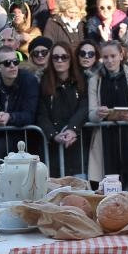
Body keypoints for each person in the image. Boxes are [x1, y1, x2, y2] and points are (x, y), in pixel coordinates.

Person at [87, 40, 128, 190]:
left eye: (113, 56)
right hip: (104, 142)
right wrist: (98, 113)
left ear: (121, 55)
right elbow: (91, 114)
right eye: (105, 57)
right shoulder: (95, 81)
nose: (109, 61)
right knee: (107, 188)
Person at [38, 42, 88, 179]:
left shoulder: (81, 80)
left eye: (64, 57)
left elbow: (85, 107)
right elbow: (41, 114)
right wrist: (53, 135)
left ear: (70, 59)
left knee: (79, 192)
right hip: (53, 148)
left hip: (78, 145)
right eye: (55, 57)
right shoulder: (44, 82)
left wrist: (72, 129)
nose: (60, 60)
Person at [0, 49, 40, 164]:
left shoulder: (29, 81)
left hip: (25, 136)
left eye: (15, 62)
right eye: (7, 63)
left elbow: (30, 114)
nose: (13, 66)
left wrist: (10, 117)